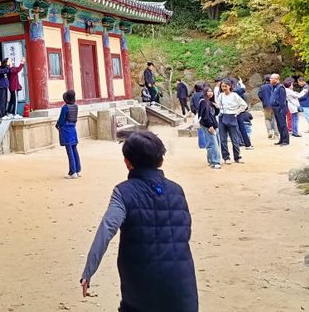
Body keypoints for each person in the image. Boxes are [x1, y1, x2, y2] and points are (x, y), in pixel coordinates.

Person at [80, 130, 198, 312]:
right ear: (161, 160)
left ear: (127, 163)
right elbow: (184, 231)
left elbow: (107, 229)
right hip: (182, 285)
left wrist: (88, 271)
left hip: (140, 286)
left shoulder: (123, 193)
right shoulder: (177, 190)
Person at [216, 80, 247, 164]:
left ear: (230, 86)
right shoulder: (220, 96)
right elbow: (218, 105)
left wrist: (237, 112)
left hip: (232, 116)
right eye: (222, 86)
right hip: (222, 116)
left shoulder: (234, 95)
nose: (224, 88)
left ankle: (237, 157)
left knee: (235, 139)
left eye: (226, 86)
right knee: (223, 139)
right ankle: (226, 157)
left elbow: (244, 105)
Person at [56, 90, 81, 178]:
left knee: (69, 151)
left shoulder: (65, 107)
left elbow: (61, 119)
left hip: (66, 129)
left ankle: (72, 172)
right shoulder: (76, 106)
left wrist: (58, 125)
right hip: (73, 128)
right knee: (74, 149)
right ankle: (78, 170)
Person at [197, 87, 221, 169]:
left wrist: (217, 107)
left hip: (213, 124)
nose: (210, 93)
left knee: (214, 142)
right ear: (204, 92)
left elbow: (215, 114)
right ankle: (215, 161)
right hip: (208, 125)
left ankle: (211, 160)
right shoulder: (204, 102)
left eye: (211, 91)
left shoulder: (210, 102)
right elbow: (205, 115)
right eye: (208, 91)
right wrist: (210, 125)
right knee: (212, 143)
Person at [269, 73, 290, 146]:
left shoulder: (281, 87)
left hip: (280, 109)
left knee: (283, 124)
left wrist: (281, 109)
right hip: (275, 108)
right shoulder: (274, 87)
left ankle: (285, 141)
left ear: (277, 79)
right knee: (279, 124)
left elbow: (282, 100)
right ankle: (281, 139)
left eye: (272, 78)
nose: (270, 80)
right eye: (270, 78)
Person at [258, 75, 278, 140]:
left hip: (266, 105)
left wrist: (264, 100)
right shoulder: (275, 86)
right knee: (274, 119)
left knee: (267, 119)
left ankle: (270, 131)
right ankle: (276, 134)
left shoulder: (262, 87)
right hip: (274, 105)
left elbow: (260, 95)